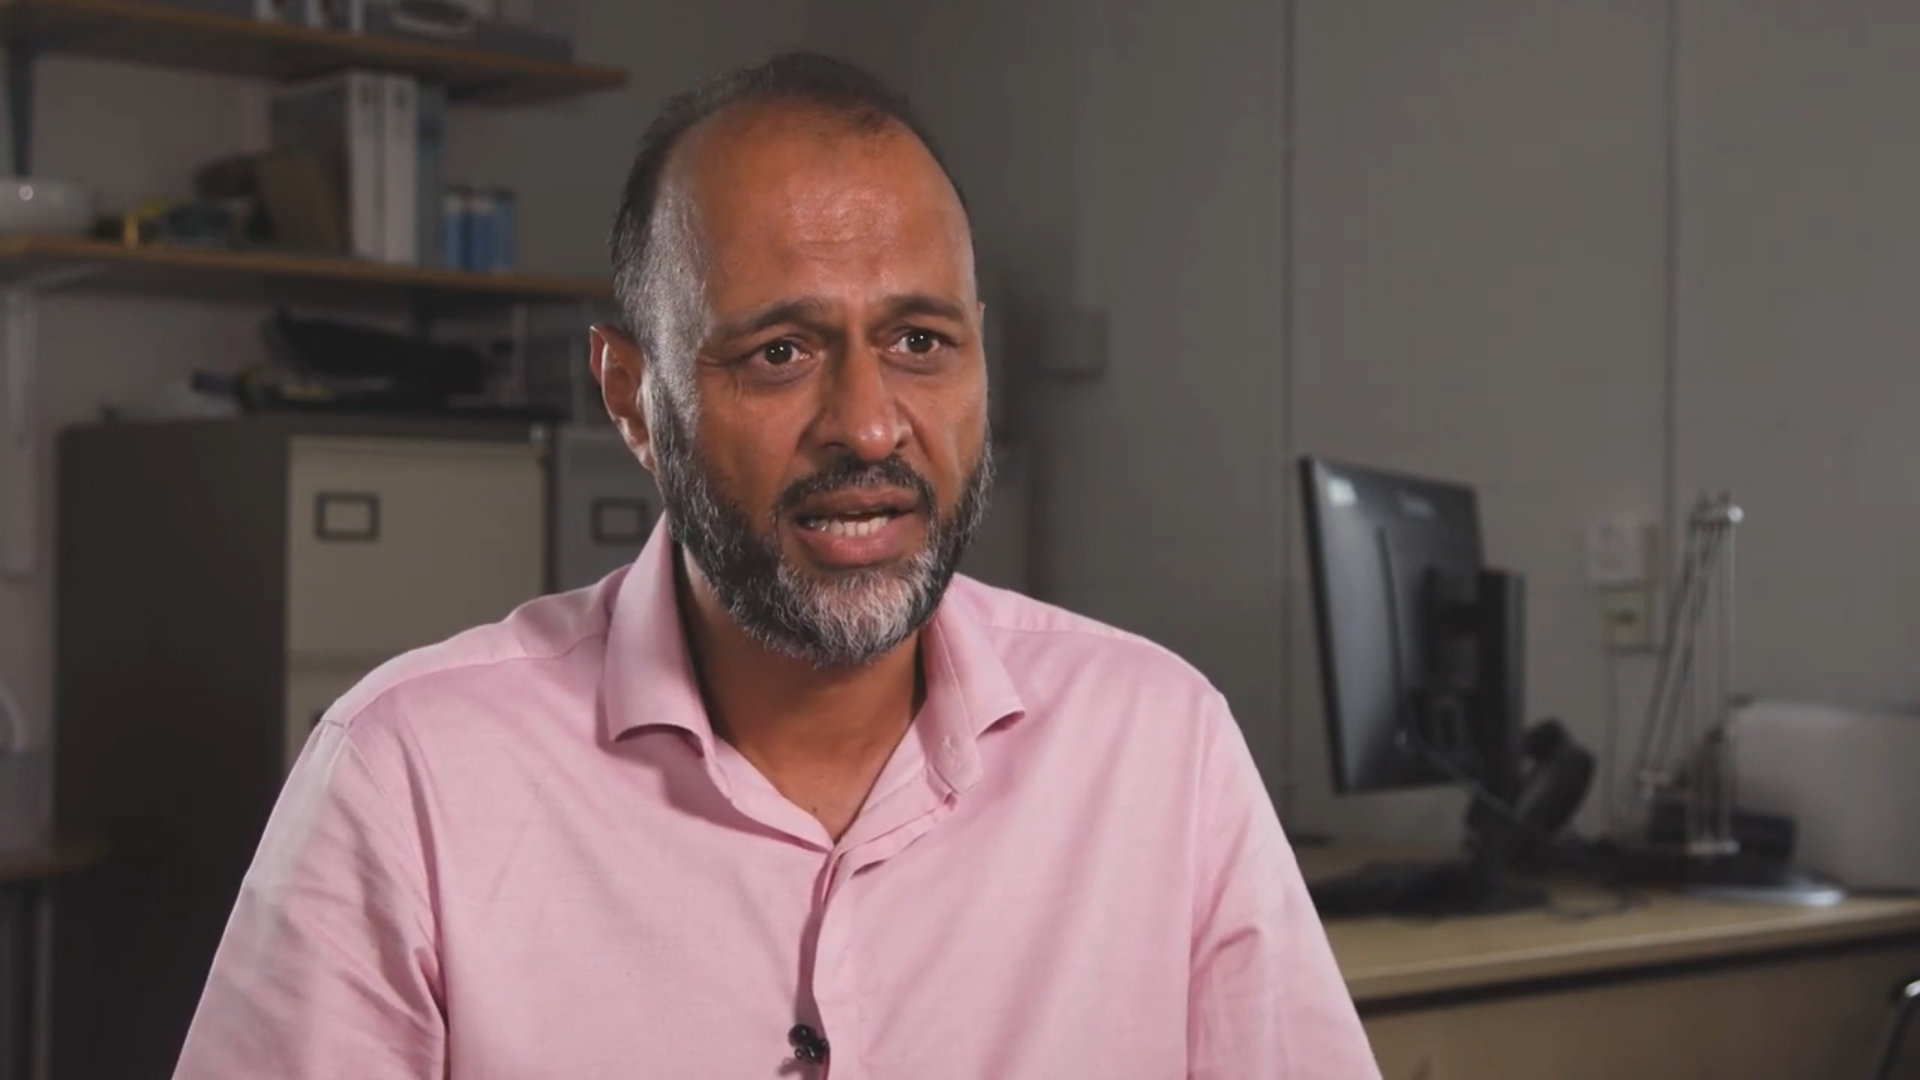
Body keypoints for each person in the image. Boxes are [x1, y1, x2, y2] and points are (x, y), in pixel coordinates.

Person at [173, 52, 1379, 1079]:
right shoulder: (409, 779)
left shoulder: (1160, 748)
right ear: (630, 397)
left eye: (919, 342)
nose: (866, 424)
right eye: (781, 350)